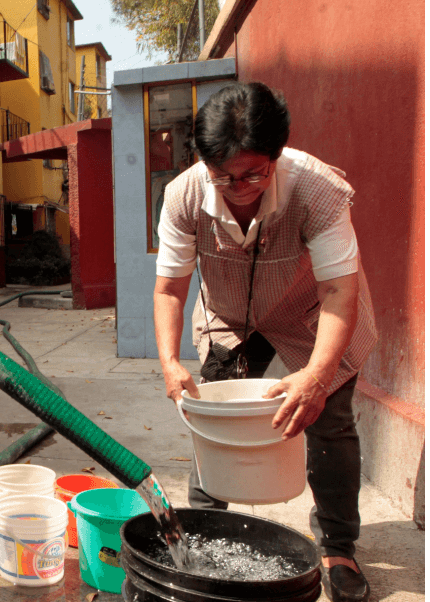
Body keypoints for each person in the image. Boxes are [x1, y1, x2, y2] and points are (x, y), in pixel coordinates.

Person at [152, 82, 377, 602]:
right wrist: (168, 361)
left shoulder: (318, 190)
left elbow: (340, 290)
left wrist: (317, 377)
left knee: (329, 418)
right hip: (232, 313)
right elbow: (169, 288)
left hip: (311, 313)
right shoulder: (184, 195)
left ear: (277, 155)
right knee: (213, 414)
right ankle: (203, 533)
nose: (238, 186)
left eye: (254, 173)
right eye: (223, 176)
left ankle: (339, 546)